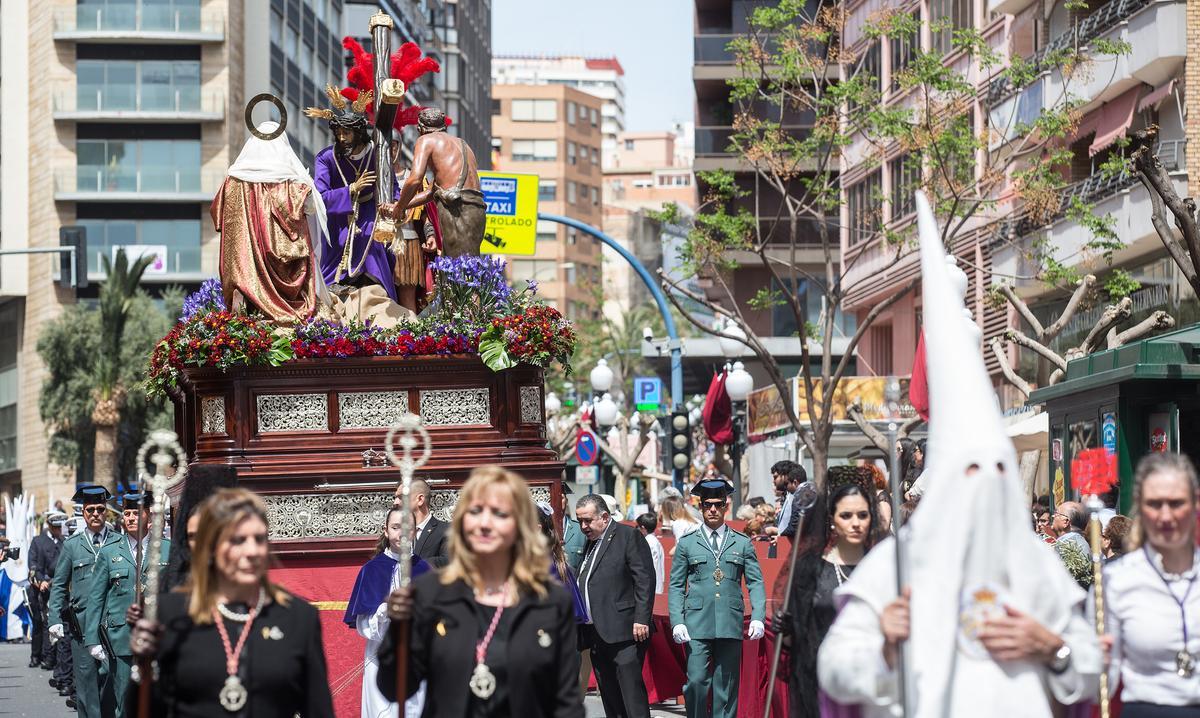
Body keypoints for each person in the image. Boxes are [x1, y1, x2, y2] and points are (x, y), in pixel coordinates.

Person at [817, 193, 1100, 717]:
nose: (985, 484)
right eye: (971, 471)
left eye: (998, 470)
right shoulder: (897, 567)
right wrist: (883, 641)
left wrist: (1051, 649)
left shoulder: (1037, 563)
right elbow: (835, 666)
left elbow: (1091, 669)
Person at [375, 466, 583, 717]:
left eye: (499, 513)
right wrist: (400, 631)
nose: (485, 523)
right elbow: (395, 688)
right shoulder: (431, 594)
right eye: (475, 511)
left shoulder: (548, 600)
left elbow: (565, 701)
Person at [128, 488, 335, 717]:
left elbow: (318, 710)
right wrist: (143, 668)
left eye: (259, 539)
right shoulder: (171, 614)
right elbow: (145, 711)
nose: (252, 551)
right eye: (238, 540)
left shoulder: (298, 617)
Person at [1102, 452, 1200, 715]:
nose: (1166, 516)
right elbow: (1099, 683)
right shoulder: (1117, 580)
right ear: (1140, 508)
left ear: (1194, 505)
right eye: (1155, 504)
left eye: (1176, 503)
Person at [779, 472, 882, 718]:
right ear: (833, 521)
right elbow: (793, 642)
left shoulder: (882, 567)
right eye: (846, 516)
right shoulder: (808, 569)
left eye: (862, 515)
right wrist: (787, 628)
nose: (856, 523)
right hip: (820, 681)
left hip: (871, 681)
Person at [211, 120, 328, 323]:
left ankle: (241, 315)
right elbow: (308, 207)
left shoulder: (232, 179)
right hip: (280, 262)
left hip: (242, 260)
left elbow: (217, 213)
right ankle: (285, 307)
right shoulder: (290, 181)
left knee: (242, 281)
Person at [669, 479, 766, 718]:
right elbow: (676, 585)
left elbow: (755, 582)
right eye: (707, 505)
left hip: (729, 622)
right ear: (700, 507)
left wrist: (758, 617)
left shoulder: (742, 543)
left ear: (726, 507)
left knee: (726, 686)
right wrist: (677, 620)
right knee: (696, 683)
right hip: (696, 622)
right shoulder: (687, 543)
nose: (712, 509)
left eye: (718, 504)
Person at [305, 86, 404, 312]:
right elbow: (319, 198)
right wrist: (350, 189)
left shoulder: (377, 155)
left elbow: (392, 187)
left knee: (374, 246)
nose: (342, 138)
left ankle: (376, 298)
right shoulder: (326, 158)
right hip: (339, 218)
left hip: (371, 213)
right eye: (338, 133)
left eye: (347, 133)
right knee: (336, 252)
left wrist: (395, 210)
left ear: (359, 133)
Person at [83, 493, 170, 718]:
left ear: (149, 517)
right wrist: (92, 639)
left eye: (135, 513)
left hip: (157, 636)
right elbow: (96, 597)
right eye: (127, 514)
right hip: (120, 638)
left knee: (157, 700)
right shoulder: (110, 551)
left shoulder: (167, 549)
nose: (130, 518)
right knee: (124, 702)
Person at [573, 493, 655, 718]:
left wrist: (641, 618)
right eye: (580, 520)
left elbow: (644, 579)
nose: (583, 526)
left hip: (626, 633)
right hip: (597, 634)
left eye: (587, 520)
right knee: (610, 697)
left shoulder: (628, 536)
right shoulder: (590, 544)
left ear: (605, 517)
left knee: (631, 696)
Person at [345, 506, 430, 718]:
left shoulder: (426, 570)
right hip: (379, 656)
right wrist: (384, 611)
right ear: (386, 531)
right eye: (395, 527)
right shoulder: (371, 570)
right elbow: (363, 625)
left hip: (417, 658)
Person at [48, 484, 115, 717]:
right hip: (83, 626)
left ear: (106, 511)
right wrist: (54, 618)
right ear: (83, 513)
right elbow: (59, 585)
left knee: (111, 681)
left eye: (100, 509)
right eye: (90, 510)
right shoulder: (72, 546)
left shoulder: (118, 542)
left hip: (112, 624)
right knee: (86, 685)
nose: (95, 514)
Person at [395, 108, 484, 257]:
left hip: (456, 208)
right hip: (477, 210)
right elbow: (431, 192)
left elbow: (415, 178)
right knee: (468, 266)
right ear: (444, 127)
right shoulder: (463, 144)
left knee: (456, 268)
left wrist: (399, 207)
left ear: (420, 128)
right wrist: (402, 205)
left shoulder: (425, 140)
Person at [28, 511, 68, 673]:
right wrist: (40, 581)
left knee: (54, 622)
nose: (58, 530)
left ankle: (50, 657)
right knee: (39, 622)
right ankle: (36, 655)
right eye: (55, 527)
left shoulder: (65, 542)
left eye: (60, 527)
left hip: (57, 587)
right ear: (49, 526)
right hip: (40, 587)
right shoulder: (38, 541)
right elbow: (33, 565)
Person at [397, 479, 449, 568]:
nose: (396, 502)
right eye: (396, 498)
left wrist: (414, 564)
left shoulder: (446, 530)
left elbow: (449, 561)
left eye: (401, 497)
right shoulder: (396, 532)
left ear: (420, 499)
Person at [635, 513, 665, 595]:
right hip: (657, 585)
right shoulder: (656, 541)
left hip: (650, 586)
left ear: (643, 528)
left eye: (637, 526)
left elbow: (646, 566)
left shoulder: (648, 543)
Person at [560, 485, 586, 572]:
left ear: (566, 501)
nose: (556, 501)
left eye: (561, 497)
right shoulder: (539, 530)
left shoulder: (581, 530)